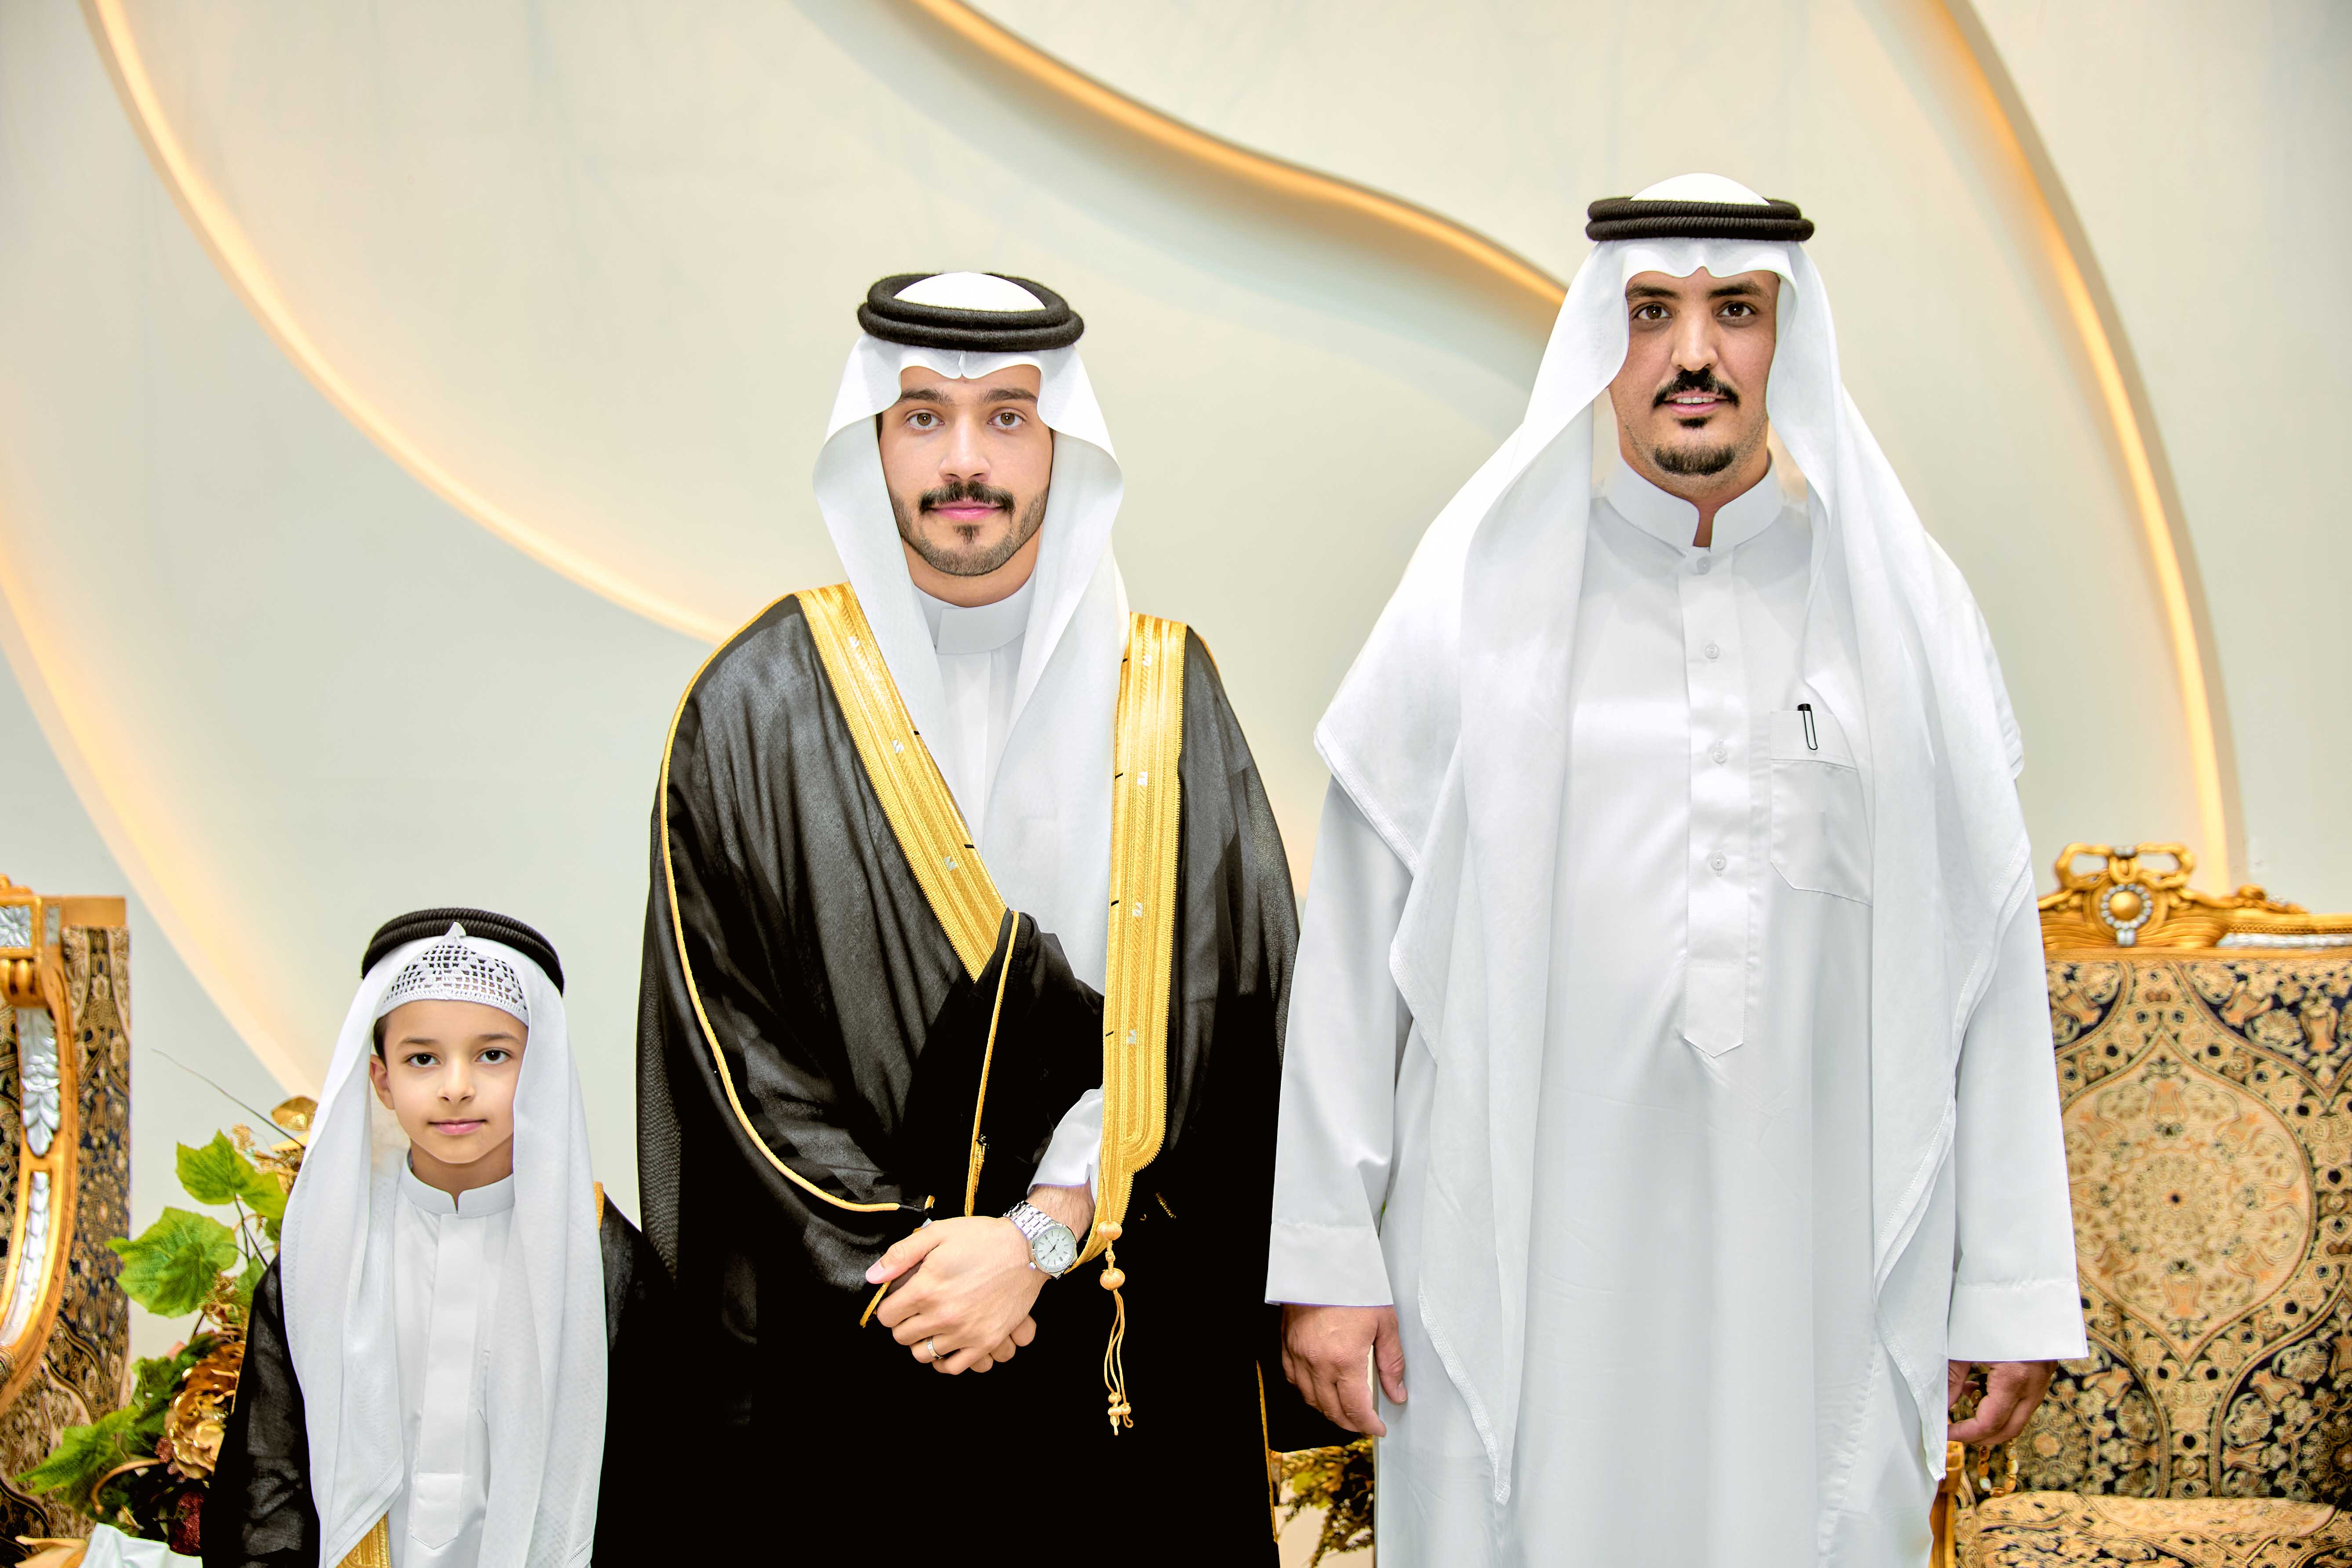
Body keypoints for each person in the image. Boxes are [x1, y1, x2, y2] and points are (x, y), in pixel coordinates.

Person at [1265, 176, 2085, 1565]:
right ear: (1603, 336)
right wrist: (1330, 1261)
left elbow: (1992, 962)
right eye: (1652, 311)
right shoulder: (1471, 600)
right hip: (1520, 1272)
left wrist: (2007, 1283)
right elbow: (1352, 952)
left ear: (1787, 339)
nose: (1693, 353)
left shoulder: (1901, 617)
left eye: (1736, 312)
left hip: (1812, 1280)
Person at [637, 273, 1324, 1558]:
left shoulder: (1166, 697)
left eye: (1008, 416)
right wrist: (921, 1265)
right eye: (924, 417)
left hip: (1119, 1336)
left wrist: (1039, 1233)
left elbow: (1230, 1016)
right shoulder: (754, 707)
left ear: (1063, 441)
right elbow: (731, 1047)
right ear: (873, 442)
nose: (966, 460)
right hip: (864, 1344)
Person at [206, 910, 668, 1568]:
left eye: (493, 1055)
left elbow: (651, 1496)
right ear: (382, 1080)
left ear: (538, 1070)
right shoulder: (329, 1258)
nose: (456, 1088)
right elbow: (266, 1486)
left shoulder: (602, 1263)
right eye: (422, 1058)